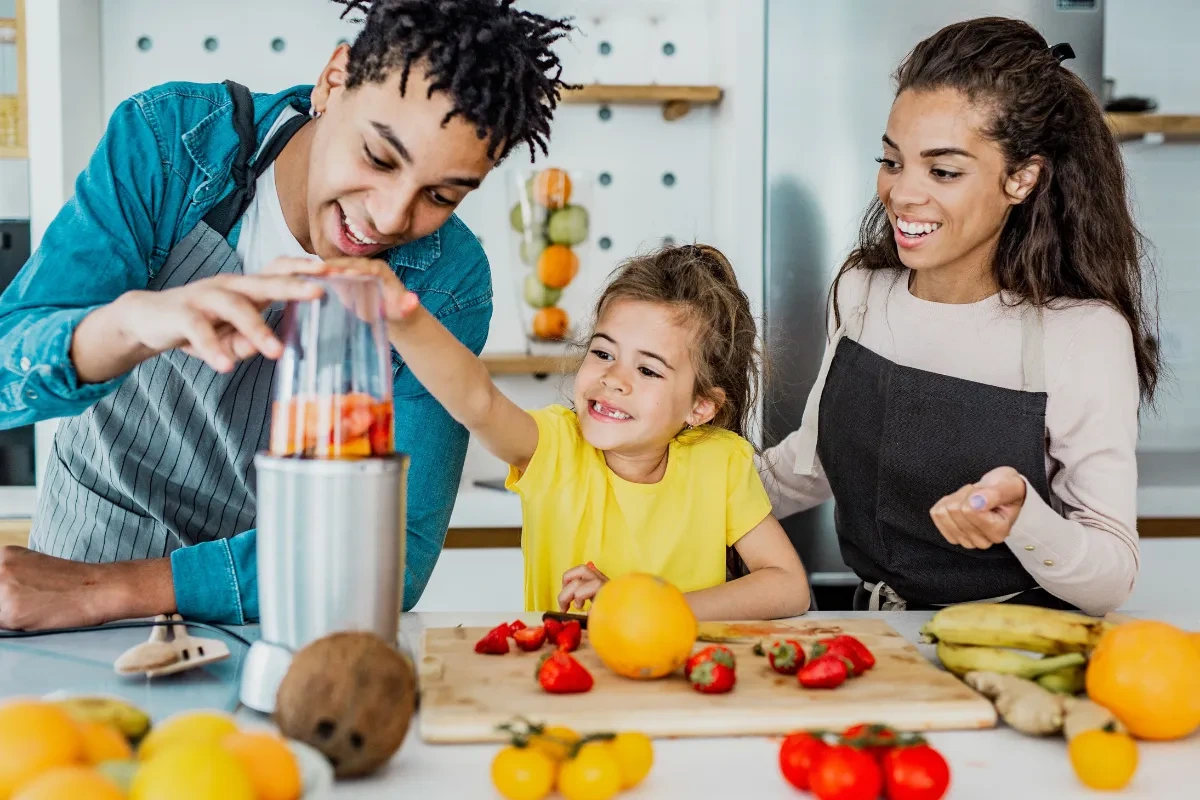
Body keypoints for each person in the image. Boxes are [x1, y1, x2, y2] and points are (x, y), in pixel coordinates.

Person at [0, 0, 575, 630]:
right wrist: (133, 322)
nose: (388, 217)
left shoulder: (447, 283)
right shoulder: (172, 145)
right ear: (334, 81)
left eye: (439, 196)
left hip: (271, 610)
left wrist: (107, 590)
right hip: (64, 589)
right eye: (379, 158)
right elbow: (9, 372)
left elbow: (393, 555)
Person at [759, 17, 1157, 617]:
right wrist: (661, 477)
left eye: (943, 171)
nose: (902, 193)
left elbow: (1111, 577)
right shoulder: (862, 291)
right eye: (892, 161)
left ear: (1021, 178)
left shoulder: (1082, 334)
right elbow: (806, 467)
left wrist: (1025, 517)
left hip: (1008, 647)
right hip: (878, 637)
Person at [289, 244, 812, 620]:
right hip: (570, 688)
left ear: (700, 407)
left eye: (648, 370)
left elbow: (788, 587)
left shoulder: (721, 461)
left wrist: (651, 605)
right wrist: (400, 316)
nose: (612, 379)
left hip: (685, 689)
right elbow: (478, 400)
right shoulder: (556, 448)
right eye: (603, 353)